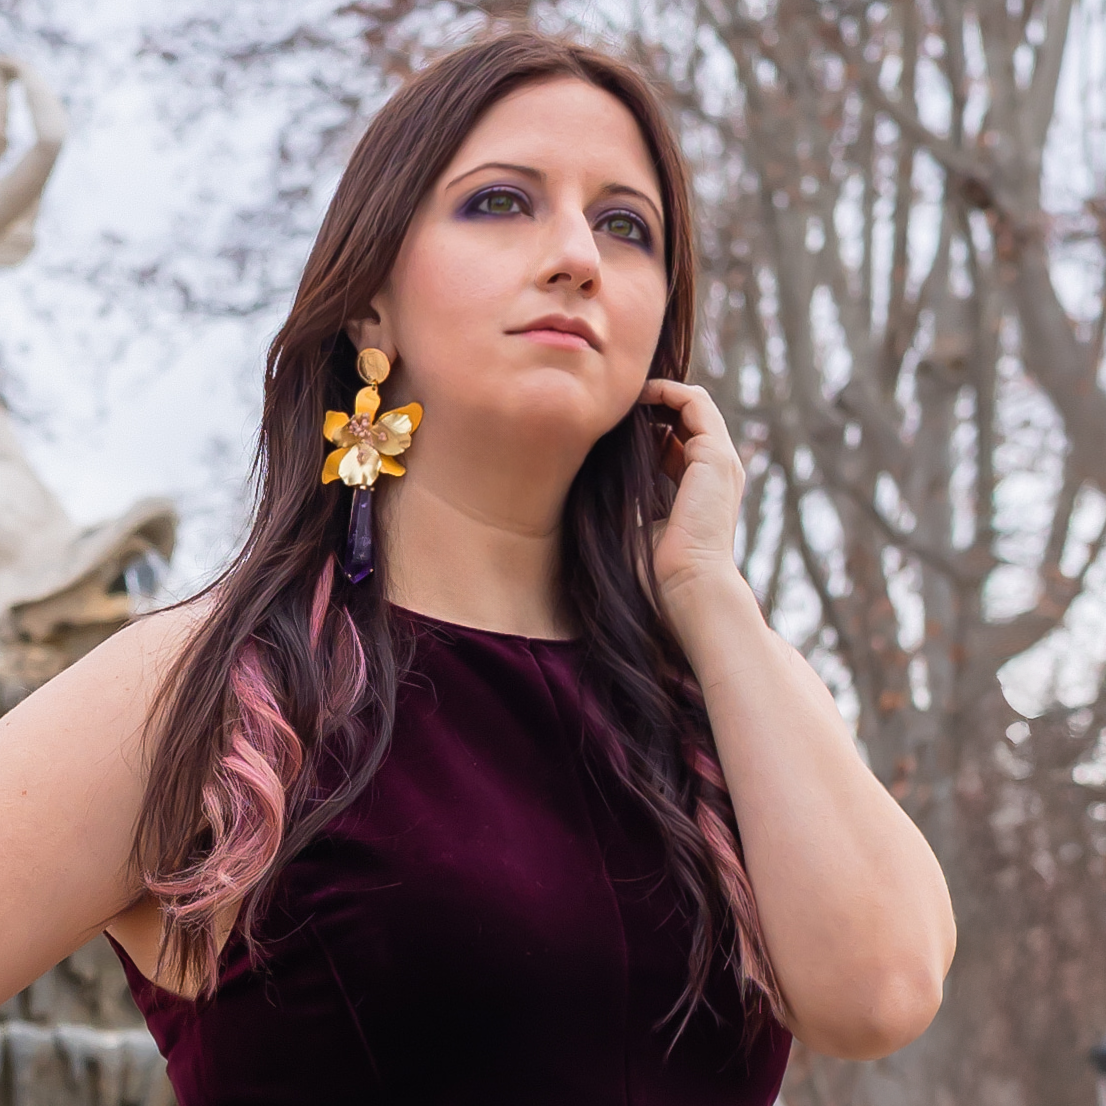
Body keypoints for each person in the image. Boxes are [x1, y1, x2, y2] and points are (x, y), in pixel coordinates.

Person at [0, 28, 956, 1105]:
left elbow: (878, 989)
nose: (575, 255)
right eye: (500, 201)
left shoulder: (719, 706)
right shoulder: (212, 692)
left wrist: (706, 591)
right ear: (369, 301)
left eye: (623, 225)